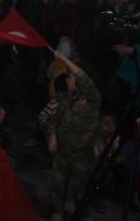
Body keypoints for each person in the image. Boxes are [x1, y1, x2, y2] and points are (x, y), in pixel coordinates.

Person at [46, 51, 101, 221]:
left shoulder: (93, 99)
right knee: (58, 183)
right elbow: (53, 120)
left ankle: (81, 213)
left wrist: (64, 59)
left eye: (70, 77)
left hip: (82, 153)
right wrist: (53, 136)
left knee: (81, 187)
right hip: (62, 150)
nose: (68, 79)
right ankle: (57, 212)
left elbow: (84, 78)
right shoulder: (66, 97)